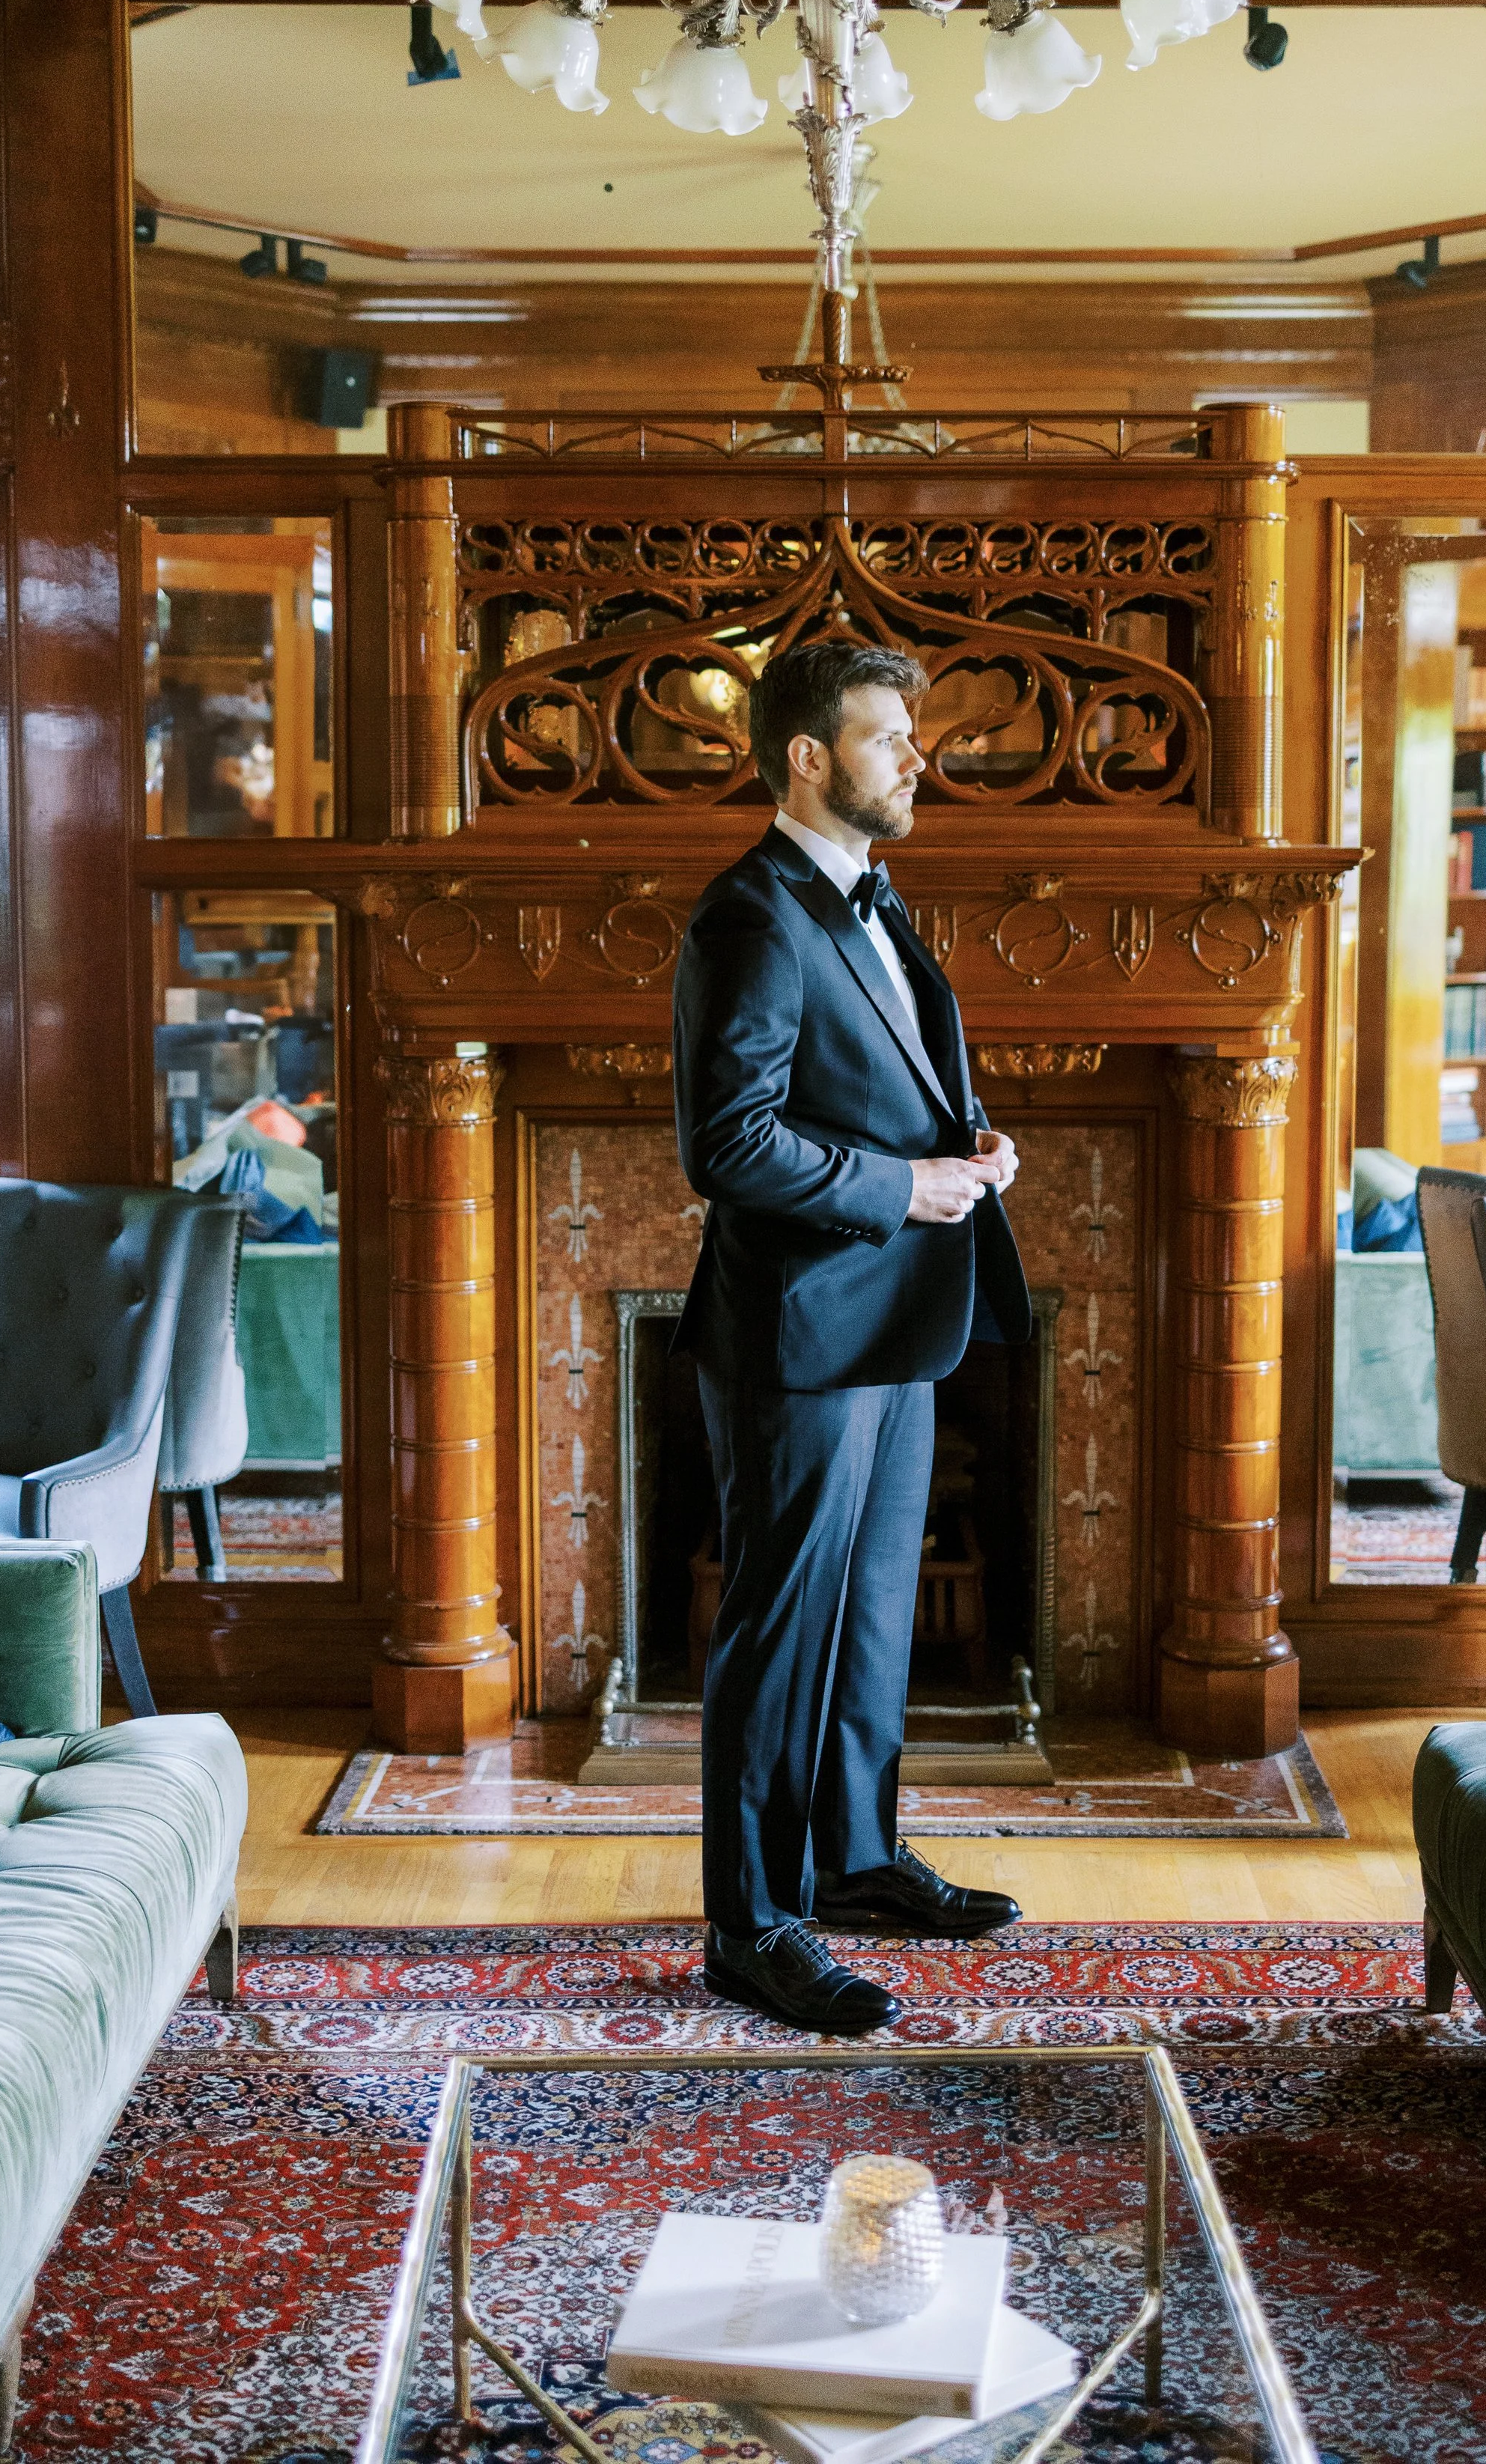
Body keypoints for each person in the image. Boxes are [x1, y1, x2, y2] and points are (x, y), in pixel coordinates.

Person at [671, 642, 1032, 2032]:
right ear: (808, 756)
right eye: (888, 737)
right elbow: (728, 1142)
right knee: (781, 1627)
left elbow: (879, 1080)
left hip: (900, 1323)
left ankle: (856, 1860)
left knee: (876, 1616)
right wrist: (908, 1189)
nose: (915, 757)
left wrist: (967, 1138)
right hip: (797, 1331)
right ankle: (751, 1924)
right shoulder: (750, 918)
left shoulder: (870, 902)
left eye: (913, 734)